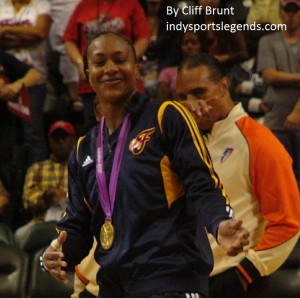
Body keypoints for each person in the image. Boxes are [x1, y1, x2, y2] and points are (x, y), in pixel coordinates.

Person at [41, 32, 249, 298]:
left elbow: (202, 184)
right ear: (87, 73)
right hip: (115, 288)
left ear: (137, 68)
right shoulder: (83, 149)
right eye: (100, 62)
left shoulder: (166, 116)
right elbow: (76, 226)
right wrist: (54, 255)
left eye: (120, 60)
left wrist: (220, 222)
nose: (110, 69)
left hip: (172, 282)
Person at [175, 53, 300, 298]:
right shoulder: (182, 144)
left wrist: (244, 274)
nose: (191, 104)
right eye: (182, 97)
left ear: (223, 86)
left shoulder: (259, 142)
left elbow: (288, 223)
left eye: (199, 93)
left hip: (232, 280)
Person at [63, 0, 150, 130]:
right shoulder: (83, 6)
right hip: (92, 87)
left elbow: (143, 38)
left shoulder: (131, 4)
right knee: (95, 135)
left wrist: (125, 61)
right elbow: (69, 40)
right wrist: (81, 63)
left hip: (126, 84)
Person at [0, 0, 53, 163]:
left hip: (31, 76)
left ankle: (36, 180)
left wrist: (7, 30)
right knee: (6, 134)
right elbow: (33, 35)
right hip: (5, 76)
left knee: (33, 133)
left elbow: (40, 33)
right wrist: (26, 36)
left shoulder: (41, 4)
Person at [257, 0, 300, 181]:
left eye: (295, 9)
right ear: (280, 12)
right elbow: (269, 75)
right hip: (276, 120)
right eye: (286, 9)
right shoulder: (268, 41)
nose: (290, 14)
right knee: (280, 178)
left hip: (297, 119)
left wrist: (297, 112)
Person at [15, 120, 76, 238]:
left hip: (72, 221)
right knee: (18, 236)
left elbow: (88, 198)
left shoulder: (80, 168)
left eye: (64, 136)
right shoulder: (37, 168)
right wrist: (44, 196)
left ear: (73, 140)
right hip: (40, 221)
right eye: (55, 137)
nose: (60, 141)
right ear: (49, 141)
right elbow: (27, 201)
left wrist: (64, 195)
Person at [0, 50, 41, 226]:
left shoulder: (3, 58)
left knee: (7, 187)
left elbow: (35, 75)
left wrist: (16, 85)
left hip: (4, 132)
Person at [157, 31, 202, 101]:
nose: (189, 46)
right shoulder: (167, 72)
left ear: (201, 46)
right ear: (180, 47)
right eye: (185, 43)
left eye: (194, 42)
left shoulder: (210, 70)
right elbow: (162, 101)